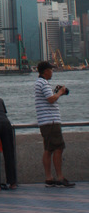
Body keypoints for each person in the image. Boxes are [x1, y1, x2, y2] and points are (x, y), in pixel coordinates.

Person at [35, 60, 75, 188]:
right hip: (51, 122)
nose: (52, 72)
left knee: (48, 149)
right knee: (58, 148)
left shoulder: (39, 83)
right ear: (46, 71)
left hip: (45, 121)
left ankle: (49, 178)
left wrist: (57, 93)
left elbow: (49, 98)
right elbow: (51, 99)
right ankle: (60, 177)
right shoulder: (43, 83)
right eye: (51, 70)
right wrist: (60, 92)